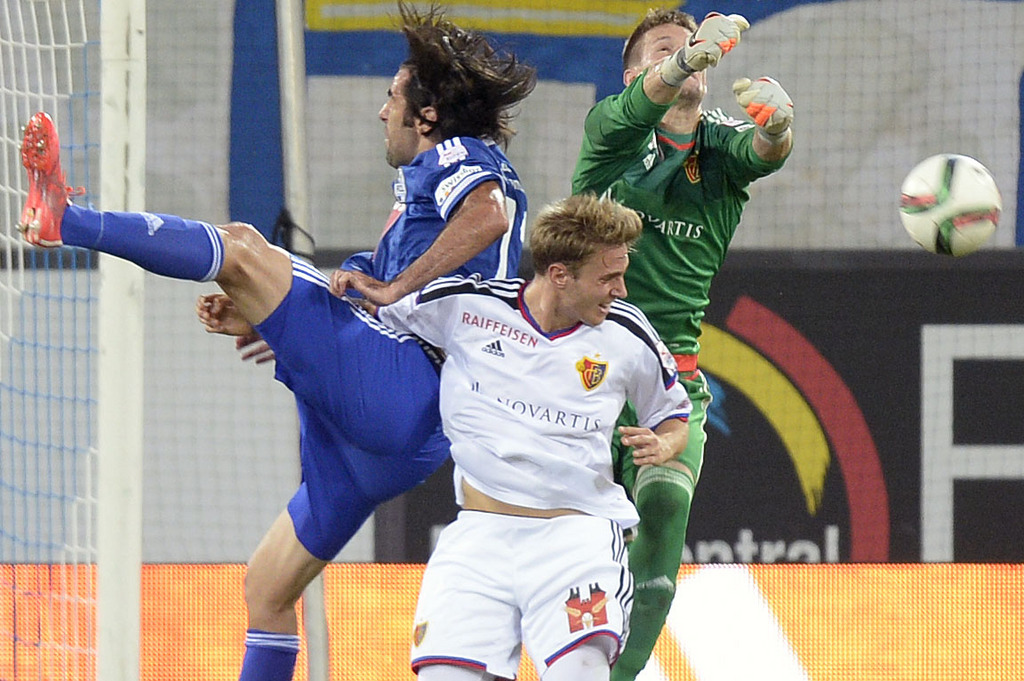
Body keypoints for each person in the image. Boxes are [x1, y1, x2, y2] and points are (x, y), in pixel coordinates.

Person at [16, 4, 536, 680]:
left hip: (401, 388)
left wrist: (387, 287)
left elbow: (486, 215)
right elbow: (374, 301)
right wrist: (275, 322)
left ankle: (67, 217)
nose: (383, 112)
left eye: (392, 98)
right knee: (266, 589)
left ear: (427, 116)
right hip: (391, 432)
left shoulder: (462, 156)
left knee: (241, 248)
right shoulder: (419, 198)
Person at [366, 194, 692, 681]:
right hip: (477, 537)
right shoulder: (467, 307)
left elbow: (674, 416)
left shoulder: (627, 333)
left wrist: (664, 445)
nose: (620, 291)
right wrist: (264, 322)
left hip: (577, 540)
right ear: (560, 274)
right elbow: (361, 320)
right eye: (608, 277)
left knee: (580, 671)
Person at [571, 9, 794, 680]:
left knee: (665, 508)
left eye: (696, 46)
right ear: (636, 72)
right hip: (578, 373)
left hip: (672, 381)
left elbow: (763, 154)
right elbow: (645, 99)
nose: (691, 54)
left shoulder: (719, 147)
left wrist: (779, 129)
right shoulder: (610, 130)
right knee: (577, 547)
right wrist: (682, 64)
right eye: (668, 49)